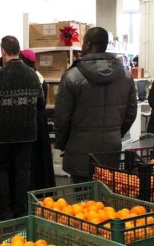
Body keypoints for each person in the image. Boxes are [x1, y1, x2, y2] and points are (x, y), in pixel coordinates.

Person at [55, 26, 137, 184]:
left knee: (82, 202)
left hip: (79, 146)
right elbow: (131, 112)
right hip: (111, 146)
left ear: (87, 45)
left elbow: (61, 117)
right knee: (107, 199)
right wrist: (115, 133)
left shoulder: (72, 76)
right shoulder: (125, 75)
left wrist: (63, 143)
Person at [0, 36, 43, 220]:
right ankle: (21, 209)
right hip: (27, 133)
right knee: (23, 170)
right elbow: (40, 103)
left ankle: (4, 211)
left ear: (3, 51)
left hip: (4, 134)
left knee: (1, 170)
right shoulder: (32, 74)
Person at [20, 49, 56, 190]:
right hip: (40, 121)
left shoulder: (29, 77)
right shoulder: (39, 77)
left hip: (31, 120)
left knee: (33, 157)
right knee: (41, 156)